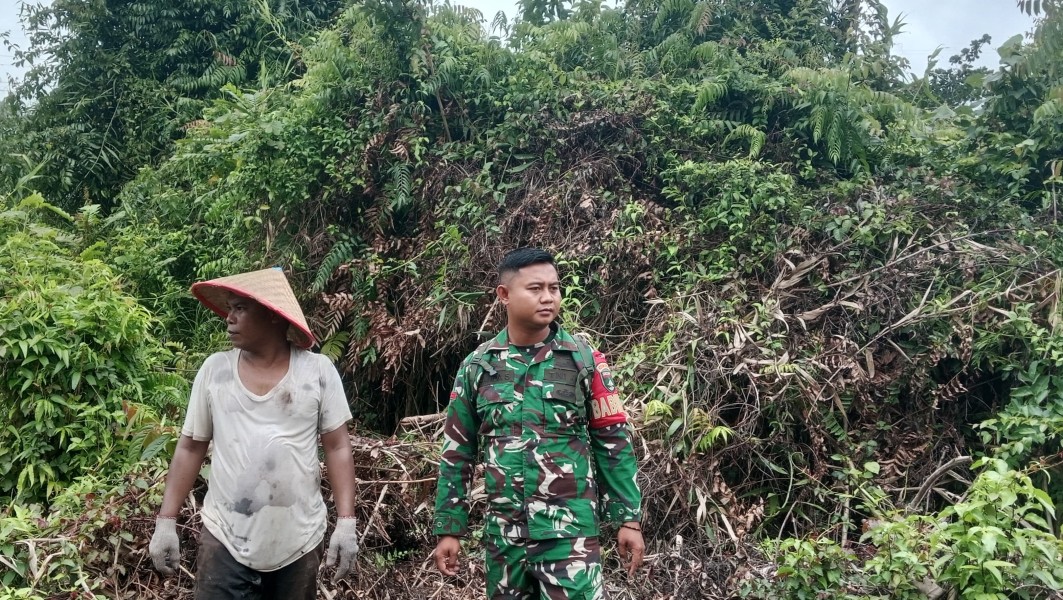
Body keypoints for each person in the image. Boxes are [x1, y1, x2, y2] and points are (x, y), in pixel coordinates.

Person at [433, 247, 645, 599]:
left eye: (554, 288)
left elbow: (613, 443)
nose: (548, 297)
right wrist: (449, 527)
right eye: (535, 288)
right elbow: (457, 451)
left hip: (570, 537)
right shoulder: (478, 366)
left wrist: (628, 519)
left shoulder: (584, 360)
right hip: (505, 540)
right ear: (504, 294)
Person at [148, 267, 359, 599]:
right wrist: (165, 522)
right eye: (229, 308)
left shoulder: (316, 372)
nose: (229, 318)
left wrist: (346, 522)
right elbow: (191, 447)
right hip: (225, 538)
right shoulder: (216, 371)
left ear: (273, 315)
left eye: (240, 308)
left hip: (299, 541)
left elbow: (337, 447)